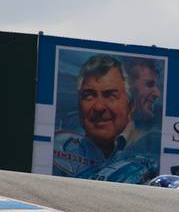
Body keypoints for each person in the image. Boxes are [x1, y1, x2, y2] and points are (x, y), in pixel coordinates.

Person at [53, 54, 158, 183]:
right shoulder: (62, 152)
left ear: (130, 107)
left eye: (110, 95)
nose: (99, 107)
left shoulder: (151, 152)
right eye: (89, 95)